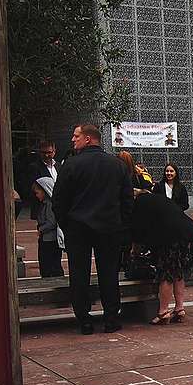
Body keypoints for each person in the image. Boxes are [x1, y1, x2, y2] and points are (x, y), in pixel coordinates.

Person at [52, 124, 133, 334]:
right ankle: (111, 318)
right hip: (109, 226)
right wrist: (122, 224)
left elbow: (59, 199)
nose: (73, 139)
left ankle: (84, 319)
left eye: (76, 136)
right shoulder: (117, 165)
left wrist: (66, 223)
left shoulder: (71, 165)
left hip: (78, 226)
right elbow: (127, 200)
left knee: (79, 273)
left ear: (88, 139)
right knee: (109, 273)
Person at [130, 189, 193, 324]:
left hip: (172, 239)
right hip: (191, 233)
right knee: (178, 272)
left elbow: (138, 230)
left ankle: (163, 312)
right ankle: (179, 308)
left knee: (166, 274)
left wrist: (135, 250)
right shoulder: (158, 198)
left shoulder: (139, 204)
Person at [32, 177, 64, 277]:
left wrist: (41, 229)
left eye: (37, 193)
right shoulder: (44, 204)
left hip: (50, 239)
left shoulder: (49, 205)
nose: (36, 196)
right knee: (46, 264)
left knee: (50, 264)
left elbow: (52, 222)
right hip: (46, 238)